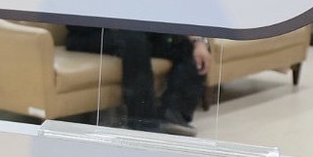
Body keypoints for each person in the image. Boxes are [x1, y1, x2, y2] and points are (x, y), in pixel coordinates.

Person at [63, 25, 211, 136]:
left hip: (139, 31)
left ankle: (173, 115)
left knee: (190, 48)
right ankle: (143, 122)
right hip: (91, 33)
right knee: (134, 39)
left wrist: (199, 42)